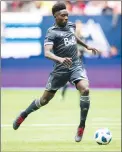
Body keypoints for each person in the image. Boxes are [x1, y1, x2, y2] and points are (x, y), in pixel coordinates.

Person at [13, 2, 100, 142]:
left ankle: (81, 127)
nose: (66, 18)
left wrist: (86, 45)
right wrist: (59, 59)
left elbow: (73, 37)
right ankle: (24, 114)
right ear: (55, 16)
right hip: (60, 70)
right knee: (44, 100)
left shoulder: (71, 25)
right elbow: (47, 53)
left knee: (85, 90)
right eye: (63, 15)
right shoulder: (51, 32)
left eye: (67, 15)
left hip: (75, 65)